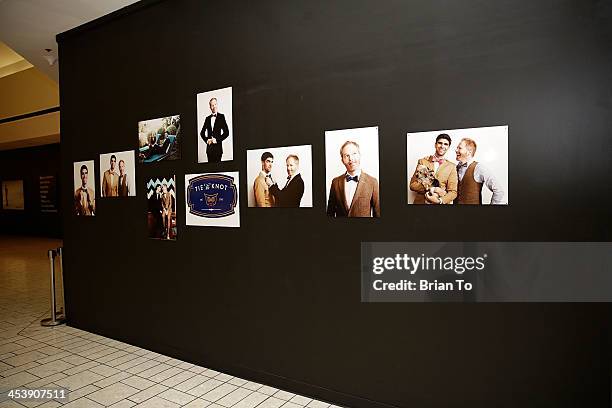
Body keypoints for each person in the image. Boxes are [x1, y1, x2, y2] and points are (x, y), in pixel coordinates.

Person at [327, 141, 380, 217]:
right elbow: (330, 213)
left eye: (354, 154)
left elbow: (378, 214)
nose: (351, 159)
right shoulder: (335, 182)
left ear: (359, 155)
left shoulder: (372, 182)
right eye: (346, 155)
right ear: (342, 160)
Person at [409, 133, 458, 204]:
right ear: (435, 145)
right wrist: (433, 188)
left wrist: (440, 201)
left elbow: (453, 192)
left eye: (445, 144)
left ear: (448, 147)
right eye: (440, 143)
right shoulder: (423, 161)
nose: (442, 146)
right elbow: (412, 185)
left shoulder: (452, 166)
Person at [454, 137, 505, 204]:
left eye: (459, 148)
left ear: (469, 152)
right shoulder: (455, 168)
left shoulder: (479, 168)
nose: (456, 150)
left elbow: (499, 191)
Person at [200, 97, 230, 163]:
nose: (214, 106)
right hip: (209, 150)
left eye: (215, 104)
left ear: (217, 104)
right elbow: (202, 133)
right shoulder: (207, 119)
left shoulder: (221, 117)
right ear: (210, 107)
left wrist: (216, 140)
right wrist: (207, 140)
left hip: (218, 149)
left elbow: (226, 133)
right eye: (212, 105)